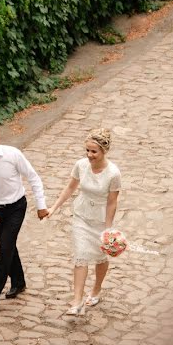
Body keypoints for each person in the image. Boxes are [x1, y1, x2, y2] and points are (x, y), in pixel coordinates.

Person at [0, 121, 49, 309]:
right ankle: (19, 282)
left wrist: (41, 205)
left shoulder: (13, 154)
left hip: (16, 207)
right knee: (8, 246)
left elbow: (33, 177)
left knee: (5, 249)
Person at [46, 128, 121, 315]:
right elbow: (70, 187)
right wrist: (54, 208)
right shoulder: (80, 165)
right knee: (80, 255)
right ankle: (77, 300)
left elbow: (112, 202)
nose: (89, 155)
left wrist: (108, 229)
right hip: (81, 215)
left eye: (93, 151)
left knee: (100, 257)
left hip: (101, 220)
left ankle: (96, 289)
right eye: (87, 150)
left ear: (104, 150)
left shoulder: (113, 173)